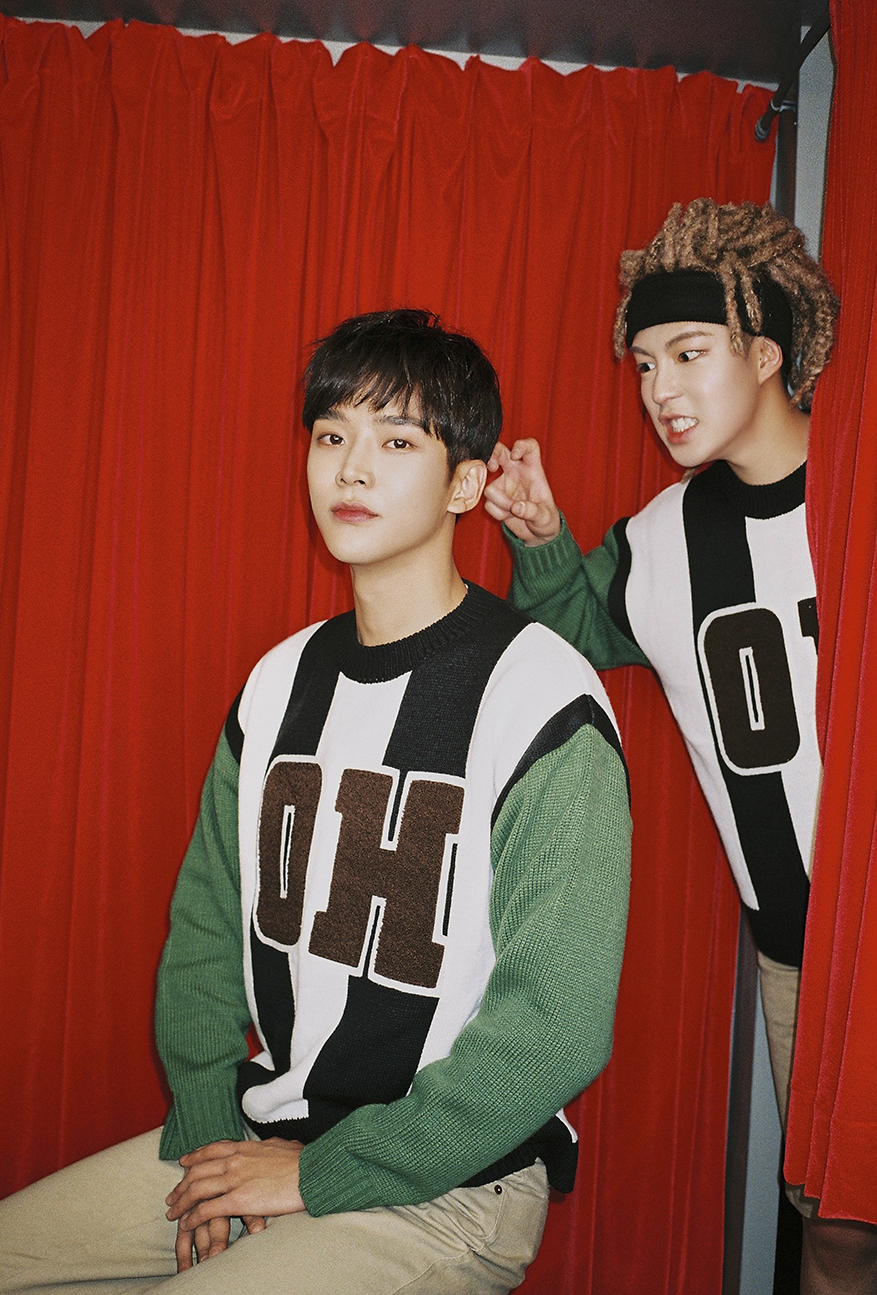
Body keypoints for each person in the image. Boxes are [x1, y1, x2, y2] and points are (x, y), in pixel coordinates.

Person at [0, 308, 631, 1295]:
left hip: (450, 1181)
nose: (352, 468)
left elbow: (556, 1022)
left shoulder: (543, 697)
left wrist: (319, 1175)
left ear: (465, 483)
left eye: (396, 441)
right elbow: (207, 923)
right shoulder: (278, 680)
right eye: (332, 435)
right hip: (268, 1129)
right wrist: (209, 1129)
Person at [484, 198, 877, 1295]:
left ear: (766, 352)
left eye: (689, 352)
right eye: (646, 362)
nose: (660, 388)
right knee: (837, 1229)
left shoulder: (859, 487)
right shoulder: (663, 537)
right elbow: (569, 635)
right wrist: (540, 538)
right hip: (796, 957)